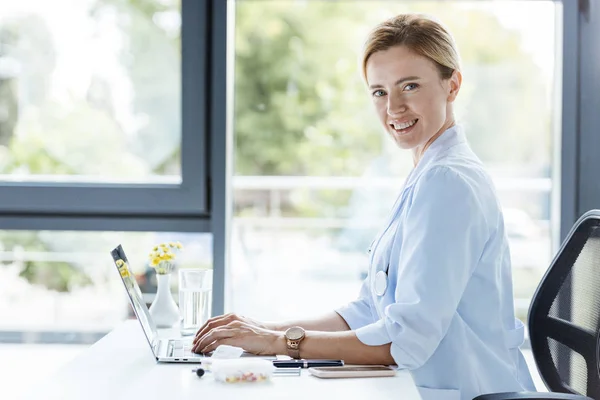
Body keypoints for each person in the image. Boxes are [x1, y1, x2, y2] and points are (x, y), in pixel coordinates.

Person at [192, 13, 536, 400]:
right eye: (379, 92)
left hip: (464, 389)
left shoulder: (448, 182)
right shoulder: (428, 172)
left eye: (410, 86)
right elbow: (370, 311)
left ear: (452, 84)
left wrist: (278, 343)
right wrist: (263, 330)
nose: (394, 107)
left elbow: (407, 341)